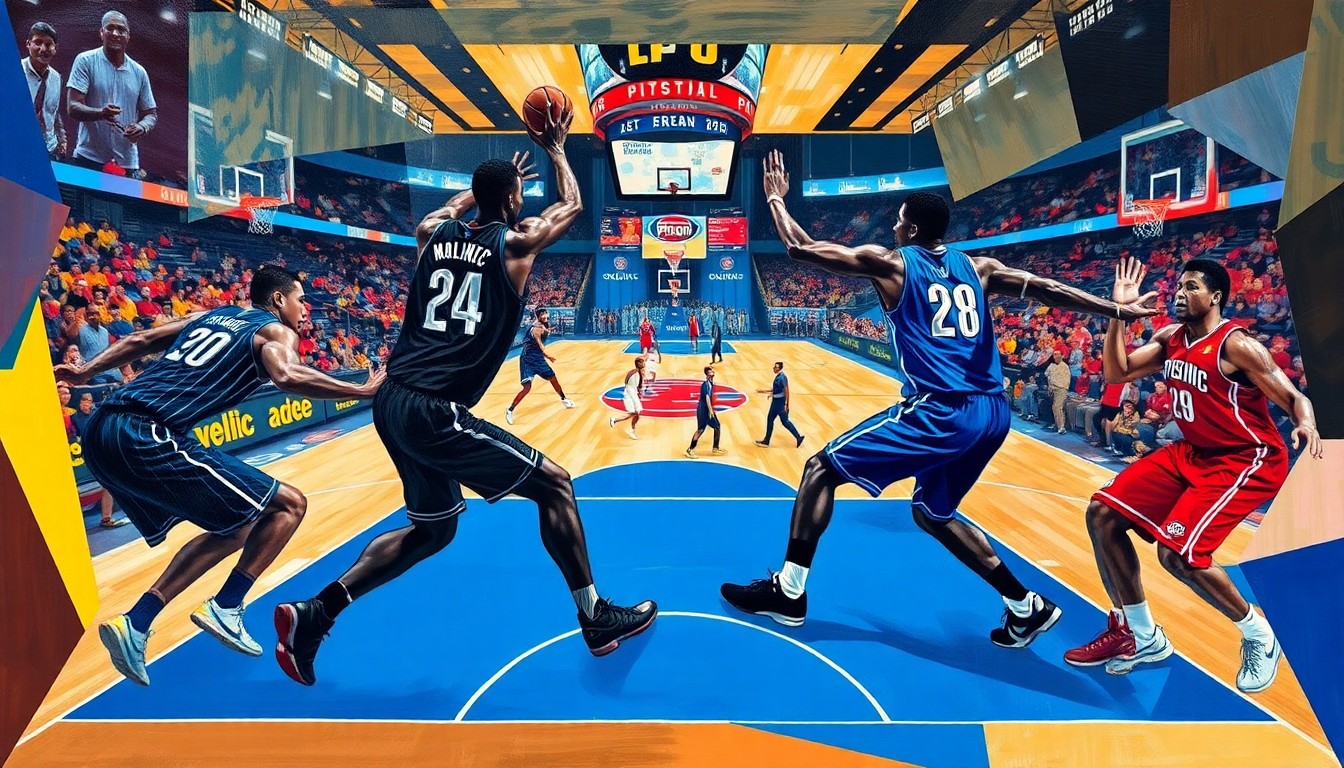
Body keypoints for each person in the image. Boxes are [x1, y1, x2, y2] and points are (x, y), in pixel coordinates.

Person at [273, 107, 655, 687]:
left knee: (435, 529)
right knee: (555, 484)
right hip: (432, 408)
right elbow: (573, 205)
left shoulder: (431, 234)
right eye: (520, 194)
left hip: (392, 400)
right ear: (510, 201)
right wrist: (555, 147)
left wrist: (479, 194)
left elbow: (451, 211)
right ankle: (596, 617)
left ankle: (314, 615)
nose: (525, 202)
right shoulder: (515, 244)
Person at [721, 151, 1158, 646]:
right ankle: (1025, 605)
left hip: (941, 410)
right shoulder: (982, 267)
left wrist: (776, 197)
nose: (893, 227)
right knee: (932, 513)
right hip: (993, 413)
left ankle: (789, 591)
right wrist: (1115, 311)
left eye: (899, 221)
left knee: (820, 469)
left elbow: (799, 247)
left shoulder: (891, 266)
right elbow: (1049, 289)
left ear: (910, 229)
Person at [54, 265, 384, 686]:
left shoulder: (211, 316)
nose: (306, 309)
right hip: (146, 429)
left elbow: (139, 340)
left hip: (103, 430)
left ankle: (136, 623)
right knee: (289, 505)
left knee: (237, 524)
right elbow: (286, 375)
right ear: (279, 299)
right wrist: (360, 391)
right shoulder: (274, 331)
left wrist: (84, 373)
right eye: (301, 299)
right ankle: (226, 606)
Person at [1065, 257, 1322, 693]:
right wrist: (1118, 314)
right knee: (1102, 514)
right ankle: (1142, 638)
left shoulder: (1237, 346)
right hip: (1193, 452)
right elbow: (1117, 371)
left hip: (1246, 457)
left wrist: (1307, 422)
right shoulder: (1170, 338)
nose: (1179, 294)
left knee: (1179, 555)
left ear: (1215, 296)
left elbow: (1295, 396)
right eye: (1178, 286)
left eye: (1191, 287)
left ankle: (1261, 635)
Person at [67, 11, 157, 178]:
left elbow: (150, 114)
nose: (116, 34)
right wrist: (101, 113)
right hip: (88, 158)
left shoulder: (139, 72)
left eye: (121, 30)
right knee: (81, 205)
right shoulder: (85, 61)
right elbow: (72, 107)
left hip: (127, 163)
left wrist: (141, 127)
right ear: (101, 33)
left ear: (128, 36)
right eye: (110, 28)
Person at [506, 307, 575, 424]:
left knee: (553, 378)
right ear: (538, 316)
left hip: (537, 359)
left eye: (545, 313)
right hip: (528, 360)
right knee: (527, 388)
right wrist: (549, 356)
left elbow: (545, 330)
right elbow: (540, 346)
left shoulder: (542, 325)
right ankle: (510, 410)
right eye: (542, 314)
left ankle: (564, 399)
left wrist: (550, 329)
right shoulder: (536, 329)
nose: (545, 315)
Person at [22, 22, 67, 160]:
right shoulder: (13, 71)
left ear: (55, 48)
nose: (43, 49)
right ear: (28, 44)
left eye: (48, 44)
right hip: (18, 145)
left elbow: (53, 111)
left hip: (48, 149)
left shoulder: (56, 78)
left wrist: (62, 139)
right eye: (38, 42)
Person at [755, 361, 803, 448]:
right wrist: (764, 391)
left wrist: (786, 404)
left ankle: (767, 441)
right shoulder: (782, 377)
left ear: (780, 368)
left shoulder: (781, 378)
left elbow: (786, 391)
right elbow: (777, 390)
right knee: (783, 421)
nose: (774, 368)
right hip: (778, 402)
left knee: (773, 420)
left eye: (776, 367)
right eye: (774, 367)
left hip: (778, 403)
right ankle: (798, 437)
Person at [685, 366, 724, 458]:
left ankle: (715, 448)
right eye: (710, 372)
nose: (712, 372)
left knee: (717, 426)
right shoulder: (705, 385)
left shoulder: (711, 383)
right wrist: (710, 411)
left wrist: (712, 409)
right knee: (700, 430)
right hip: (703, 409)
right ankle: (690, 449)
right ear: (707, 375)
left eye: (712, 371)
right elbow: (707, 398)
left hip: (708, 409)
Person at [609, 356, 645, 440]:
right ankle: (615, 420)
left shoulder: (634, 372)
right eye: (642, 362)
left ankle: (632, 430)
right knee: (633, 413)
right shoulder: (636, 373)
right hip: (629, 395)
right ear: (638, 364)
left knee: (637, 413)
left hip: (633, 394)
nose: (644, 364)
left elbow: (630, 383)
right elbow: (636, 385)